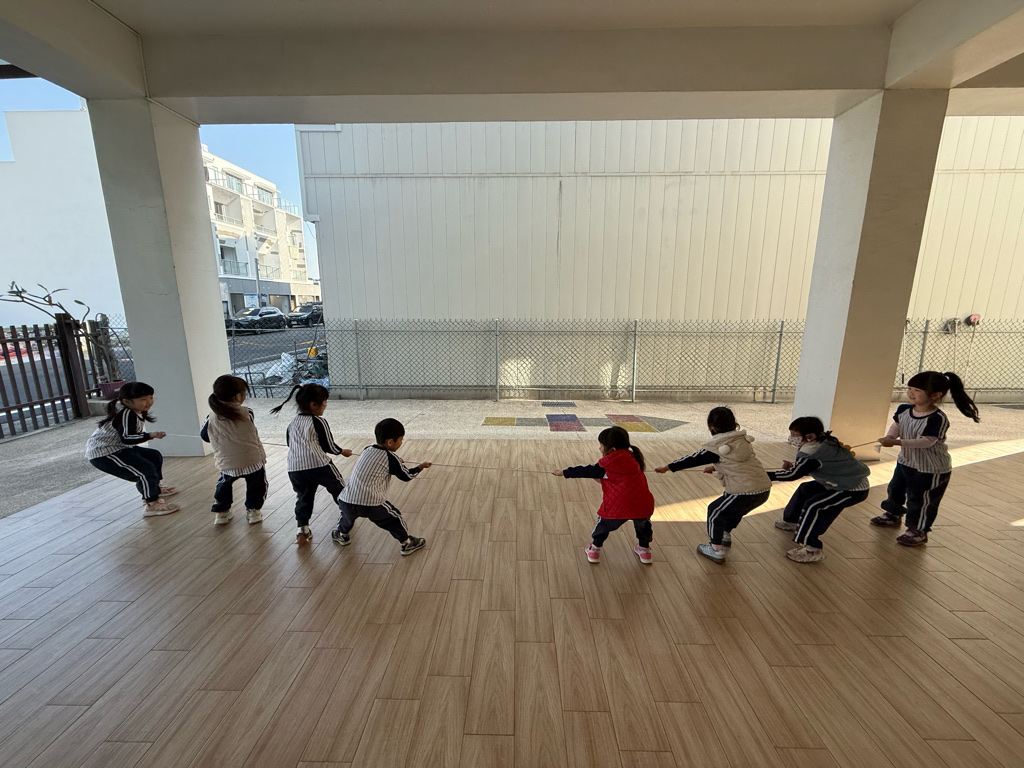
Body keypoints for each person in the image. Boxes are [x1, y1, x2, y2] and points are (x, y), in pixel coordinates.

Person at [869, 371, 980, 547]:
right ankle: (893, 514)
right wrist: (890, 437)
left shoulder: (937, 418)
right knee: (895, 489)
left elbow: (926, 442)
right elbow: (896, 425)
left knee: (921, 499)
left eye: (917, 390)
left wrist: (896, 442)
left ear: (935, 395)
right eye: (910, 388)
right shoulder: (904, 409)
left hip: (930, 468)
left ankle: (918, 530)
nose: (911, 393)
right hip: (906, 462)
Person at [655, 406, 770, 564]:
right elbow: (737, 461)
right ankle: (724, 534)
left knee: (715, 510)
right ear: (734, 424)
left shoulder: (716, 446)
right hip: (762, 489)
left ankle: (716, 549)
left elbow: (692, 459)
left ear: (711, 427)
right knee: (733, 511)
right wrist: (716, 466)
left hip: (744, 490)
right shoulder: (741, 440)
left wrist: (667, 467)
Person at [768, 417, 870, 563]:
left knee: (815, 506)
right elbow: (812, 468)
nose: (791, 438)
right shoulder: (821, 444)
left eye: (795, 435)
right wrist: (794, 466)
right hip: (836, 482)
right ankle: (792, 521)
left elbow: (792, 475)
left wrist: (765, 475)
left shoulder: (814, 453)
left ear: (809, 436)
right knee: (805, 489)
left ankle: (812, 548)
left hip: (851, 488)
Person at [555, 426, 656, 564]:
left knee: (603, 525)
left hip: (618, 506)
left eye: (601, 446)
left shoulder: (606, 465)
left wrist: (563, 472)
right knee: (643, 525)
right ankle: (645, 551)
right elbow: (620, 480)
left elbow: (585, 471)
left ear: (612, 449)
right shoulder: (634, 459)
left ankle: (594, 549)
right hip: (643, 504)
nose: (600, 448)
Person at [332, 418, 430, 556]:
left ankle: (342, 535)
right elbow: (406, 476)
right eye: (400, 440)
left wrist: (396, 461)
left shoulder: (367, 449)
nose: (401, 443)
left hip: (347, 499)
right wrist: (420, 467)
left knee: (346, 518)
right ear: (390, 442)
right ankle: (407, 543)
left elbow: (377, 461)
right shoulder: (391, 458)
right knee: (393, 518)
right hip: (372, 503)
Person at [271, 383, 352, 543]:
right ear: (313, 405)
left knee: (303, 497)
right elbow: (329, 446)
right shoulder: (318, 421)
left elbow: (289, 443)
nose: (325, 405)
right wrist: (342, 451)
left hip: (295, 468)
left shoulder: (292, 423)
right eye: (324, 402)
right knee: (340, 490)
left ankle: (302, 529)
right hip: (320, 466)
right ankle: (348, 517)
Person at [84, 381, 179, 517]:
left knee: (154, 456)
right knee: (145, 470)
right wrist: (150, 435)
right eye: (143, 399)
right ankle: (152, 504)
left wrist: (149, 435)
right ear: (127, 402)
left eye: (150, 398)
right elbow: (127, 438)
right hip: (105, 453)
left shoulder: (136, 412)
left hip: (119, 448)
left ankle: (154, 487)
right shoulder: (127, 414)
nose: (149, 402)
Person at [201, 375, 267, 525]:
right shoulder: (247, 412)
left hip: (227, 462)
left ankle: (222, 512)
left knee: (224, 484)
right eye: (244, 394)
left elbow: (205, 436)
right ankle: (253, 511)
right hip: (252, 460)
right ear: (237, 396)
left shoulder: (211, 417)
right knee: (257, 484)